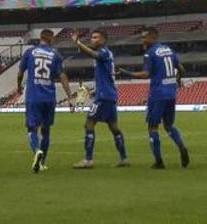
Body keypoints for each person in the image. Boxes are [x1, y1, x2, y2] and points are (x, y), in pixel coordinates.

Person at [120, 26, 189, 169]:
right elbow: (182, 69)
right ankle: (182, 147)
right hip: (171, 93)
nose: (143, 40)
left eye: (145, 37)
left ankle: (159, 161)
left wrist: (127, 73)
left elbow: (146, 74)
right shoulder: (169, 50)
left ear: (154, 37)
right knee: (169, 125)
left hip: (157, 94)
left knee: (152, 127)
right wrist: (177, 80)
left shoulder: (150, 53)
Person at [71, 28, 130, 169]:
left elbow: (91, 52)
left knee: (89, 124)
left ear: (103, 40)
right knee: (114, 127)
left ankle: (88, 159)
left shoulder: (103, 52)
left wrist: (78, 42)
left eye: (96, 37)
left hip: (103, 97)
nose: (92, 40)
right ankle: (124, 158)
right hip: (108, 95)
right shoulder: (107, 54)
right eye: (92, 37)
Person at [17, 28, 74, 173]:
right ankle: (42, 163)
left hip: (33, 96)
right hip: (49, 97)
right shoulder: (55, 54)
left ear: (40, 38)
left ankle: (37, 150)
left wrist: (18, 87)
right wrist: (70, 97)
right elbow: (62, 76)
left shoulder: (30, 52)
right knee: (46, 131)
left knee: (32, 129)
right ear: (51, 39)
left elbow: (20, 72)